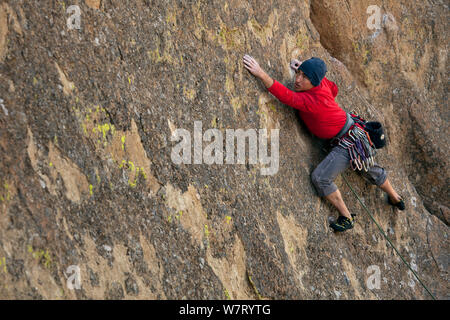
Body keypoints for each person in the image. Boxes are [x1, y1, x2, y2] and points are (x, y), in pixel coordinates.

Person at [243, 54, 405, 232]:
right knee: (365, 165)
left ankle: (346, 217)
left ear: (314, 82)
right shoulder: (322, 83)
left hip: (346, 142)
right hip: (353, 131)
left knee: (320, 178)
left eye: (304, 77)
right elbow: (334, 89)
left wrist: (260, 73)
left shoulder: (311, 100)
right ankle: (395, 197)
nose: (298, 79)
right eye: (300, 73)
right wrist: (306, 69)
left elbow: (286, 96)